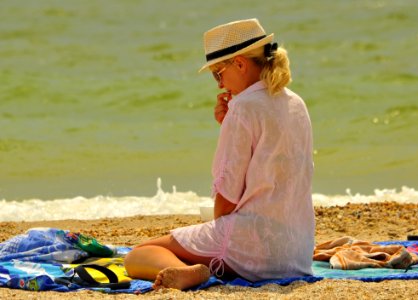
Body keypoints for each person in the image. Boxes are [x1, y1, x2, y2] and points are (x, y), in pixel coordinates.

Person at [124, 18, 315, 290]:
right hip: (296, 251)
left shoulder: (244, 107)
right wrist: (229, 126)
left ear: (239, 63)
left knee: (139, 255)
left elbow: (227, 195)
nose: (218, 84)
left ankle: (189, 272)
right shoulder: (296, 102)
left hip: (254, 250)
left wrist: (217, 225)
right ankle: (194, 266)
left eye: (218, 72)